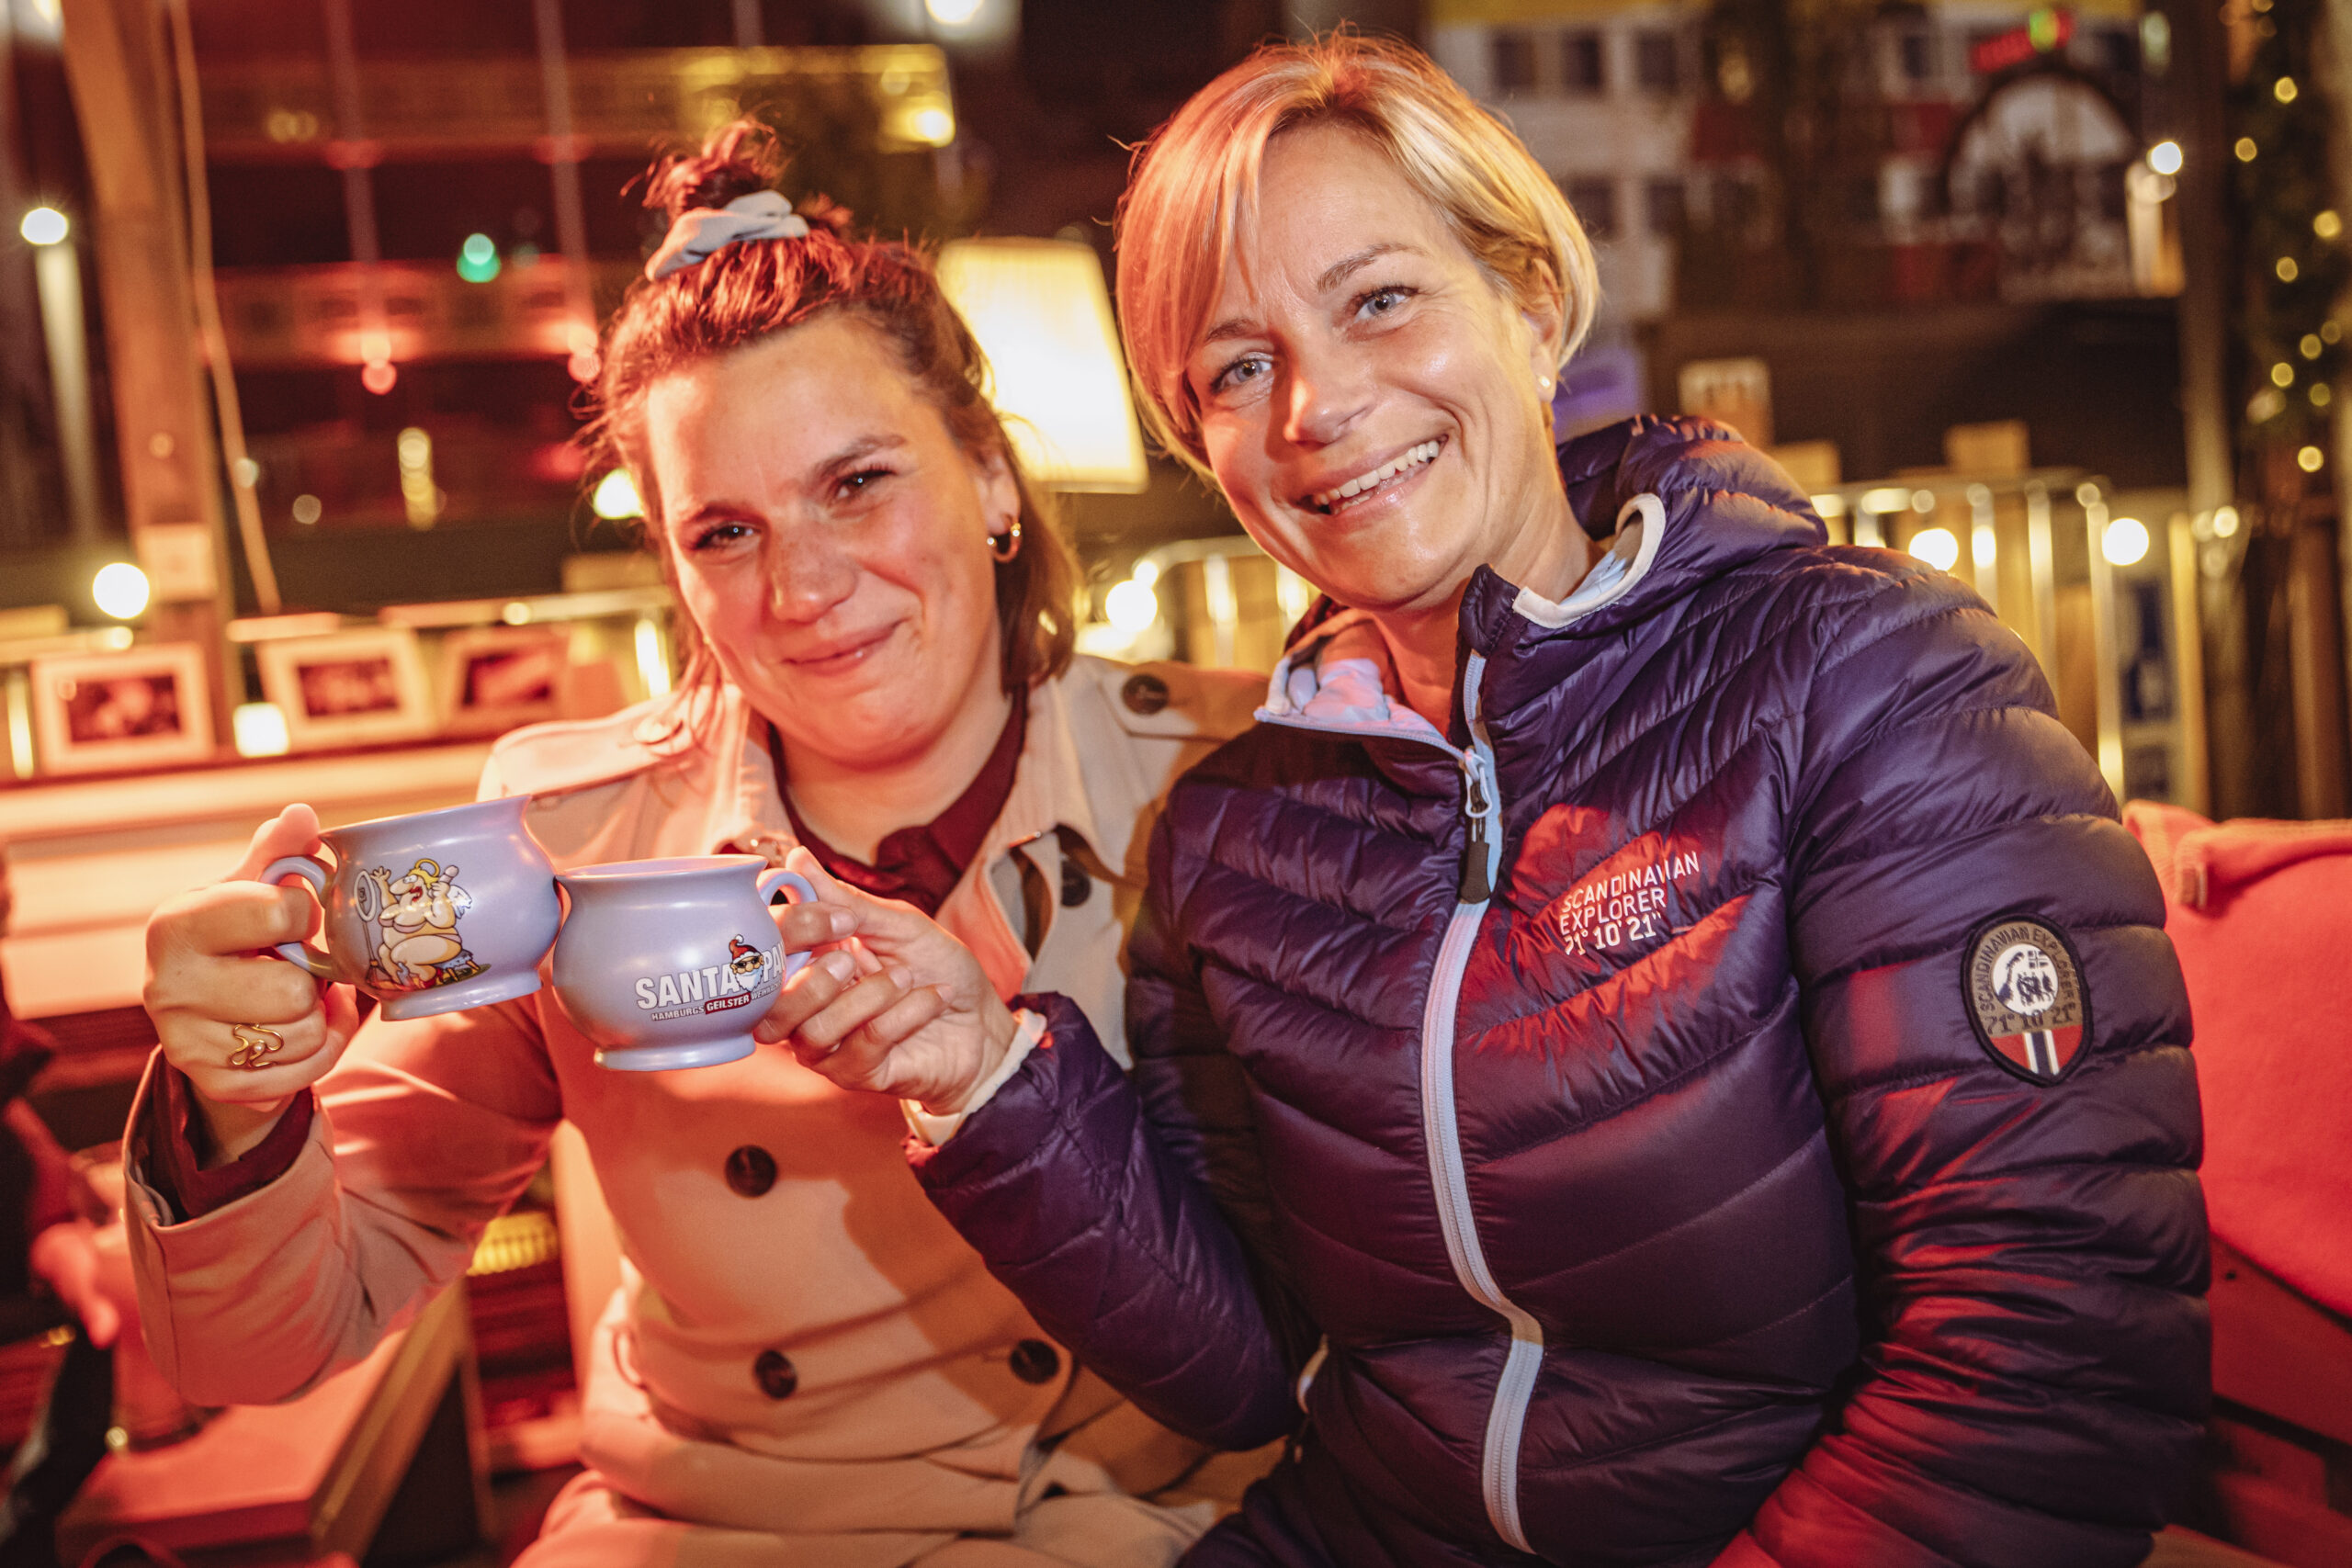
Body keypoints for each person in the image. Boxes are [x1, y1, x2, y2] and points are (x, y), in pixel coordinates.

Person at [767, 36, 2211, 1568]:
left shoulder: (1862, 676)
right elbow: (1247, 1368)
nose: (1316, 405)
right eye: (1238, 368)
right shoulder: (1232, 832)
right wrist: (984, 1076)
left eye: (1378, 298)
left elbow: (2056, 1352)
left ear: (1527, 300)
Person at [127, 124, 1263, 1568]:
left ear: (988, 477)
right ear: (671, 567)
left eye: (859, 483)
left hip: (1126, 1523)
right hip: (717, 1530)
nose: (803, 586)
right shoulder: (567, 834)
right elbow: (273, 1346)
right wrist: (234, 1110)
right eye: (725, 530)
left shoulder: (1217, 785)